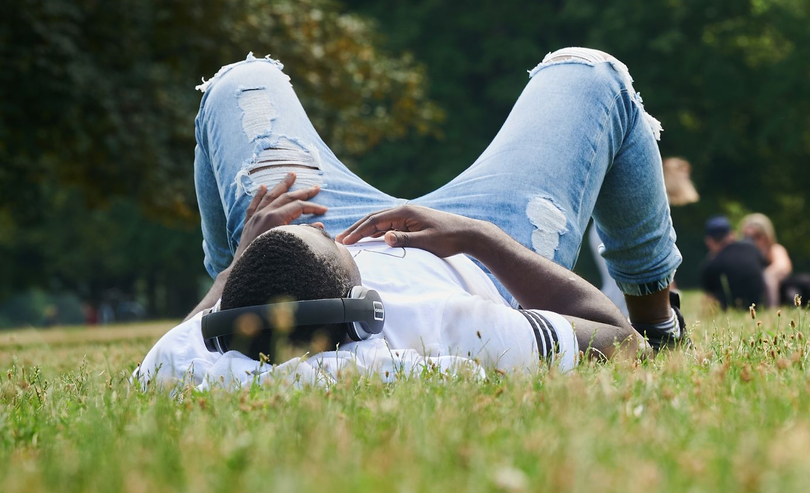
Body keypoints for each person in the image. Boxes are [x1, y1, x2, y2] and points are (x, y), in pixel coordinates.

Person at [136, 48, 687, 388]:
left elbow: (182, 339)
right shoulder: (448, 325)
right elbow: (617, 340)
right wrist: (480, 237)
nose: (327, 232)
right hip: (474, 263)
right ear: (361, 307)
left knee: (238, 82)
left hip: (273, 270)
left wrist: (241, 261)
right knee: (593, 75)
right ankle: (661, 318)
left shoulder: (193, 354)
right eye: (332, 242)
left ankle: (281, 240)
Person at [588, 156, 699, 317]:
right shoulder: (659, 197)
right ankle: (609, 320)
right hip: (614, 232)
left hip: (604, 230)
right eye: (684, 175)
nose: (687, 179)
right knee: (619, 285)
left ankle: (609, 320)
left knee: (615, 284)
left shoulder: (656, 192)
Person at [700, 216, 766, 310]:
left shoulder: (710, 265)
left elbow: (710, 300)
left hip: (730, 310)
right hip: (760, 306)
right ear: (732, 234)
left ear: (709, 241)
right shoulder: (752, 248)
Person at [739, 213, 793, 308]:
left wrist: (765, 274)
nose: (752, 240)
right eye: (747, 237)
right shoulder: (741, 254)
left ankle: (772, 308)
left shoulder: (775, 250)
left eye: (757, 236)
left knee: (768, 277)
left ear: (767, 236)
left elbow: (783, 265)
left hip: (779, 295)